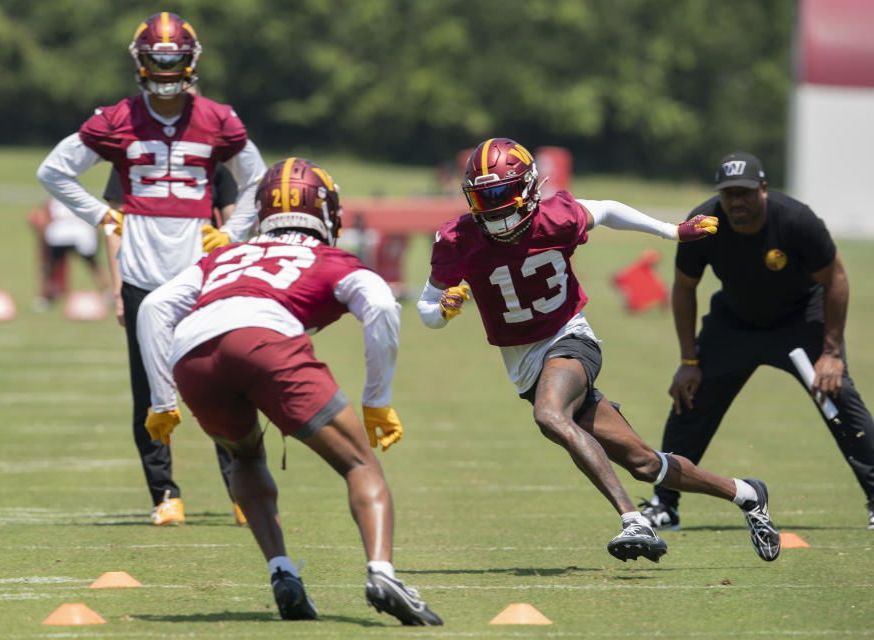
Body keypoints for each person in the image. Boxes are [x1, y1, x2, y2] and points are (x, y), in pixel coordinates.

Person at [417, 137, 781, 563]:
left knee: (550, 416)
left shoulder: (556, 217)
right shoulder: (457, 237)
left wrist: (672, 231)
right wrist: (444, 310)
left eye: (501, 193)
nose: (494, 207)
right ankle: (747, 494)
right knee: (645, 463)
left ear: (530, 187)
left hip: (570, 339)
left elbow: (606, 209)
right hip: (525, 366)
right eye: (484, 197)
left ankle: (634, 520)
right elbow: (427, 309)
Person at [136, 158, 442, 625]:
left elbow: (155, 307)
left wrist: (162, 402)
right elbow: (381, 305)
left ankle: (282, 572)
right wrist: (377, 401)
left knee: (244, 458)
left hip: (192, 354)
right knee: (360, 463)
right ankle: (382, 573)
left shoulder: (222, 256)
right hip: (265, 343)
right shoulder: (331, 259)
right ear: (326, 212)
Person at [36, 12, 266, 526]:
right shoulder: (117, 118)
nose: (167, 70)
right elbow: (53, 171)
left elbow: (259, 180)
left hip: (200, 270)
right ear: (141, 63)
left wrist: (232, 233)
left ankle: (240, 487)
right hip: (141, 271)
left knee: (220, 380)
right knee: (149, 389)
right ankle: (165, 494)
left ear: (192, 61)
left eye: (175, 60)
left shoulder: (219, 119)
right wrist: (100, 213)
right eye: (158, 61)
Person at [640, 151, 874, 532]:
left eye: (745, 192)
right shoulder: (705, 223)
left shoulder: (796, 220)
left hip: (800, 320)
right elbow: (684, 288)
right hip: (735, 324)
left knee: (838, 397)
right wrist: (688, 361)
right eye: (729, 193)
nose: (737, 201)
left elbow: (836, 280)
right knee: (689, 398)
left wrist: (831, 353)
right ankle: (664, 505)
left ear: (763, 190)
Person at [27, 197, 111, 309]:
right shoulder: (83, 197)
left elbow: (44, 219)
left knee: (49, 268)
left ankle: (45, 298)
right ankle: (108, 294)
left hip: (58, 234)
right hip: (83, 234)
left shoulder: (52, 200)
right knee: (95, 266)